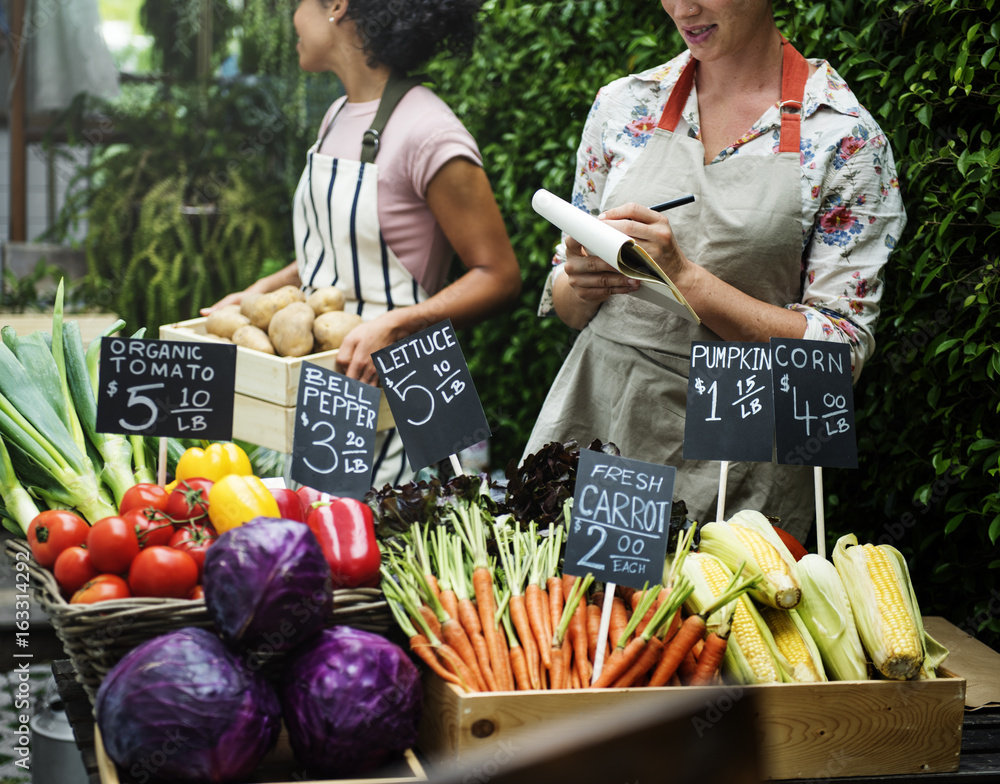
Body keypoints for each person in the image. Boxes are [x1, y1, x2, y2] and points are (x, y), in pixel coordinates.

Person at [523, 0, 906, 542]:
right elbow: (566, 304)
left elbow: (837, 359)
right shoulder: (623, 105)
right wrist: (582, 282)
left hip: (740, 450)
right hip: (606, 419)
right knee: (587, 619)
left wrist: (686, 278)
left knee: (715, 618)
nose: (684, 7)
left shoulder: (844, 139)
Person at [204, 0, 521, 488]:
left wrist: (396, 325)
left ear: (336, 6)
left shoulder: (429, 133)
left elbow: (499, 277)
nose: (293, 18)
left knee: (383, 541)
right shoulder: (336, 116)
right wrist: (259, 293)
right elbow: (336, 248)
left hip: (399, 399)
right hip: (328, 398)